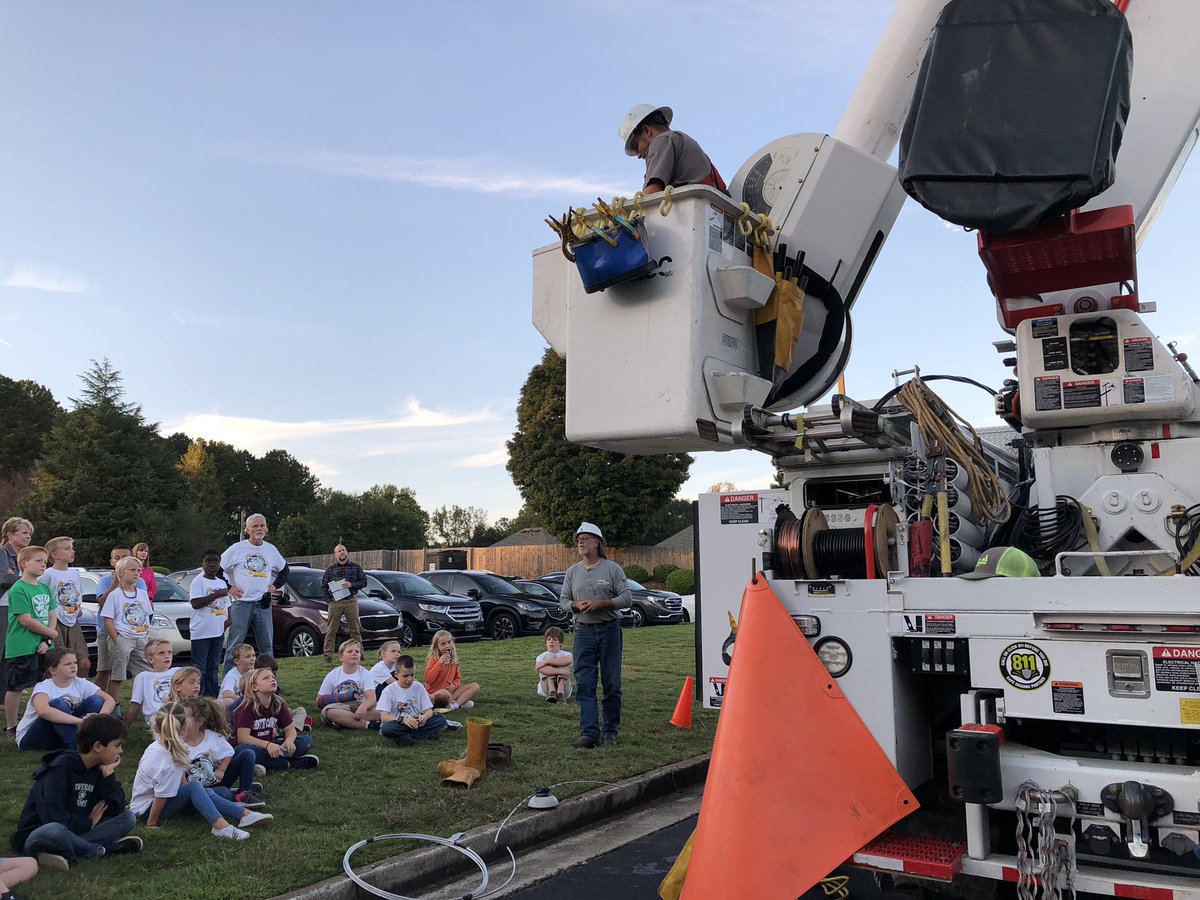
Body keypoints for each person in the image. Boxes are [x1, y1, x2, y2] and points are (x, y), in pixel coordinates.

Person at [11, 713, 141, 870]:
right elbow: (52, 817)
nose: (120, 751)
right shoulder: (59, 770)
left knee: (128, 818)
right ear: (98, 746)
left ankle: (65, 850)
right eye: (117, 745)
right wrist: (88, 822)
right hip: (40, 832)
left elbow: (116, 809)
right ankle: (101, 850)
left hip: (76, 831)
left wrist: (109, 776)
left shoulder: (98, 768)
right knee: (53, 831)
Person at [130, 703, 271, 841]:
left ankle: (244, 814)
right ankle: (220, 825)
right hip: (147, 809)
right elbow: (160, 797)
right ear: (185, 728)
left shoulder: (159, 747)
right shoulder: (169, 761)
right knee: (196, 787)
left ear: (156, 727)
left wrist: (193, 794)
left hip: (150, 801)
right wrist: (151, 823)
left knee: (203, 791)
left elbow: (180, 783)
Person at [561, 522, 631, 749]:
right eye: (578, 538)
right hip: (583, 632)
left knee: (611, 682)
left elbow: (627, 598)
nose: (580, 541)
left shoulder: (612, 569)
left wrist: (604, 603)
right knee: (585, 683)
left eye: (586, 537)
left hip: (610, 630)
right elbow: (563, 601)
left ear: (597, 542)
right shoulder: (573, 572)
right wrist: (574, 605)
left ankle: (610, 731)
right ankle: (589, 734)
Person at [220, 514, 288, 676]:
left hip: (263, 604)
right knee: (235, 645)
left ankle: (270, 682)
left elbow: (285, 570)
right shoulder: (237, 549)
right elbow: (218, 568)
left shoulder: (271, 549)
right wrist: (229, 587)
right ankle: (228, 683)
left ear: (266, 528)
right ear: (247, 530)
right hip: (241, 603)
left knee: (266, 646)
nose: (259, 529)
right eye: (255, 526)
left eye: (262, 526)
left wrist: (275, 585)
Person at [15, 649, 115, 752]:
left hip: (61, 734)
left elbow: (109, 700)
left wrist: (97, 718)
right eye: (67, 664)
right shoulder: (44, 686)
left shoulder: (81, 683)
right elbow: (43, 711)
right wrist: (81, 722)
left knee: (96, 700)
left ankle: (92, 742)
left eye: (75, 662)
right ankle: (78, 747)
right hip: (32, 738)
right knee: (57, 704)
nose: (73, 666)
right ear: (53, 670)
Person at [4, 545, 57, 736]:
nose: (43, 565)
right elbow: (25, 620)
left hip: (44, 644)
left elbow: (52, 613)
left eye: (45, 561)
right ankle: (11, 725)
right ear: (24, 563)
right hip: (22, 646)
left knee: (46, 684)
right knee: (16, 686)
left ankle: (43, 718)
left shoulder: (43, 587)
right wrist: (51, 634)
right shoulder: (18, 589)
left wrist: (48, 638)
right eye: (38, 561)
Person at [617, 104, 726, 194]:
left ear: (647, 130)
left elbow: (652, 193)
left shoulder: (662, 140)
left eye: (636, 147)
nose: (638, 155)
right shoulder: (680, 139)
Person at [180, 696, 265, 811]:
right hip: (197, 791)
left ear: (200, 721)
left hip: (215, 780)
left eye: (185, 718)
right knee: (224, 793)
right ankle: (234, 793)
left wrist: (222, 770)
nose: (180, 720)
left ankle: (244, 792)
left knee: (248, 754)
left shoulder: (211, 736)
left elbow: (228, 753)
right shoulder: (177, 741)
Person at [232, 667, 318, 771]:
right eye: (266, 678)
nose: (272, 679)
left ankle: (269, 763)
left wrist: (289, 741)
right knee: (244, 750)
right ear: (254, 687)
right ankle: (288, 763)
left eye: (273, 677)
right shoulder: (247, 706)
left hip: (271, 745)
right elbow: (243, 738)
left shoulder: (278, 703)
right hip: (252, 747)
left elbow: (290, 729)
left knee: (306, 741)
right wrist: (268, 745)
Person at [92, 546, 149, 697]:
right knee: (105, 671)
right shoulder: (105, 581)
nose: (121, 560)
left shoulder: (140, 585)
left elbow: (145, 611)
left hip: (136, 635)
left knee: (142, 672)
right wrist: (116, 582)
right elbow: (103, 603)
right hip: (109, 633)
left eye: (125, 557)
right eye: (117, 558)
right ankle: (98, 703)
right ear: (112, 562)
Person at [39, 537, 88, 679]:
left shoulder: (75, 573)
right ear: (55, 554)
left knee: (83, 663)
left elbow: (78, 593)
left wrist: (78, 608)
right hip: (56, 622)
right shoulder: (47, 575)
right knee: (57, 662)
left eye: (72, 548)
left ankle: (79, 692)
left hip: (73, 620)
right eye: (67, 548)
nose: (72, 551)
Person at [377, 655, 447, 748]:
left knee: (441, 719)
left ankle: (408, 737)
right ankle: (426, 734)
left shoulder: (419, 686)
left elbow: (429, 711)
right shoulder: (388, 690)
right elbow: (384, 717)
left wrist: (424, 717)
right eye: (405, 676)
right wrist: (403, 720)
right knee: (386, 729)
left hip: (417, 722)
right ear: (396, 674)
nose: (409, 679)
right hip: (400, 723)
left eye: (412, 675)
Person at [188, 550, 232, 699]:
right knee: (200, 668)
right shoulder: (198, 581)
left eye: (216, 561)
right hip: (201, 632)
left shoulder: (221, 582)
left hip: (217, 631)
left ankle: (212, 697)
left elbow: (227, 604)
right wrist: (216, 594)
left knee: (213, 667)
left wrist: (229, 619)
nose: (212, 564)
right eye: (208, 561)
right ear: (202, 563)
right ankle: (197, 696)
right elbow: (195, 603)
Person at [0, 517, 36, 695]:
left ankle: (6, 693)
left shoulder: (26, 556)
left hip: (18, 606)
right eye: (23, 532)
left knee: (11, 651)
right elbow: (5, 578)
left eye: (29, 533)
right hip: (3, 606)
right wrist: (25, 578)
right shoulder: (2, 553)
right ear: (10, 535)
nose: (28, 536)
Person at [316, 640, 380, 731]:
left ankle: (345, 722)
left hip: (360, 706)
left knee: (381, 709)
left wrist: (363, 707)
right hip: (340, 707)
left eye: (357, 651)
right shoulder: (333, 675)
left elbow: (371, 698)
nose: (354, 653)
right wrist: (343, 697)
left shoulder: (365, 673)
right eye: (350, 651)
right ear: (341, 657)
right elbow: (319, 701)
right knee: (328, 712)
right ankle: (368, 725)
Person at [320, 544, 366, 664]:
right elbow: (323, 586)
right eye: (339, 551)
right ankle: (328, 657)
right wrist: (329, 600)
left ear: (347, 552)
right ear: (336, 555)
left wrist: (352, 585)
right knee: (331, 630)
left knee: (355, 629)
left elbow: (364, 582)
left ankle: (359, 654)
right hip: (336, 602)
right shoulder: (330, 570)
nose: (342, 552)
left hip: (351, 600)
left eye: (343, 550)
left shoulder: (355, 567)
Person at [124, 639, 177, 730]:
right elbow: (135, 706)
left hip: (178, 711)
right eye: (161, 653)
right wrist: (123, 728)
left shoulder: (178, 672)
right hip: (157, 716)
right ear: (150, 659)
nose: (167, 656)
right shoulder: (143, 677)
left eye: (169, 652)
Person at [425, 631, 479, 712]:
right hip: (436, 694)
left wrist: (454, 685)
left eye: (449, 642)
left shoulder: (453, 660)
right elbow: (428, 679)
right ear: (437, 647)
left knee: (475, 686)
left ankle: (456, 705)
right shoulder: (434, 659)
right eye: (443, 644)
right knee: (444, 693)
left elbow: (457, 678)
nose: (447, 646)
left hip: (450, 693)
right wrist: (440, 663)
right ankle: (460, 703)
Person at [535, 626, 573, 703]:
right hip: (546, 689)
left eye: (555, 639)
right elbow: (539, 668)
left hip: (564, 689)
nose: (551, 641)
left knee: (561, 658)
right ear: (546, 642)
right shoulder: (541, 656)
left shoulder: (566, 654)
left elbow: (569, 660)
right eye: (549, 639)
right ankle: (552, 691)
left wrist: (546, 662)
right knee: (549, 655)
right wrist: (560, 671)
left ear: (560, 642)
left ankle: (560, 692)